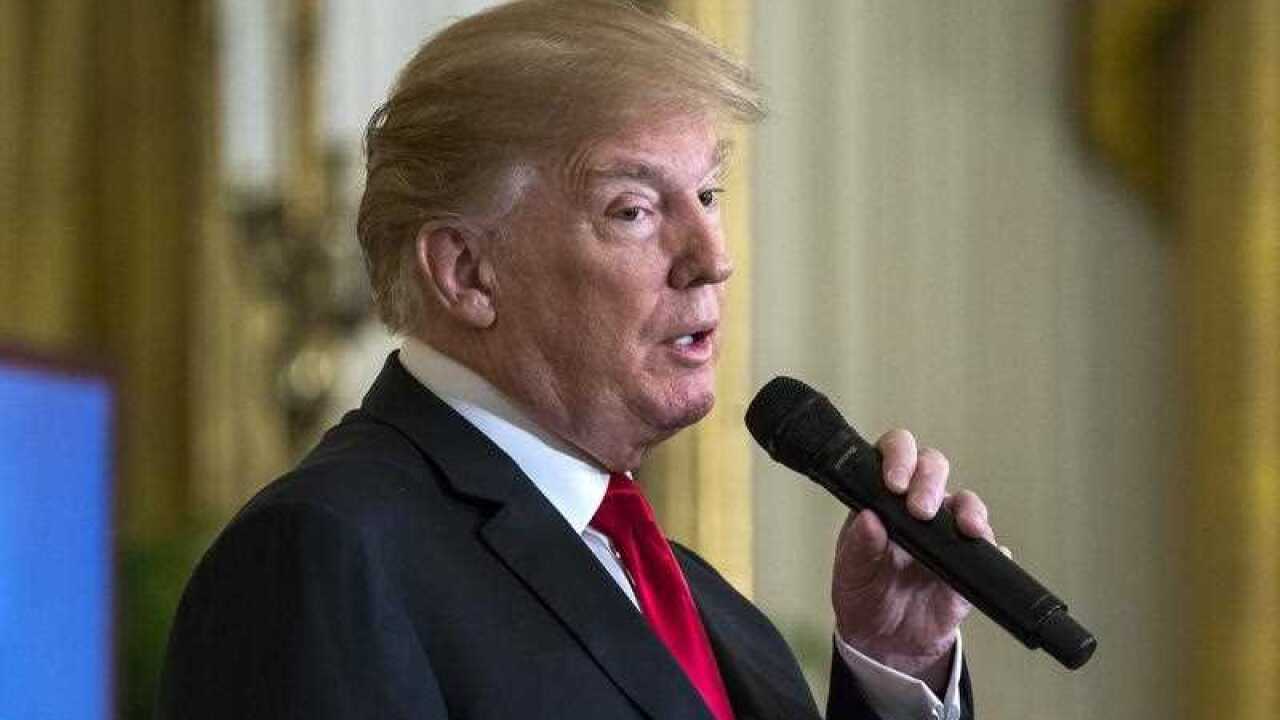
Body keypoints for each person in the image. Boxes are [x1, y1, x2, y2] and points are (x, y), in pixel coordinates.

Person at [158, 1, 996, 718]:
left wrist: (892, 665)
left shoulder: (709, 609)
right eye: (632, 210)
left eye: (707, 195)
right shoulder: (327, 552)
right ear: (467, 271)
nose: (712, 256)